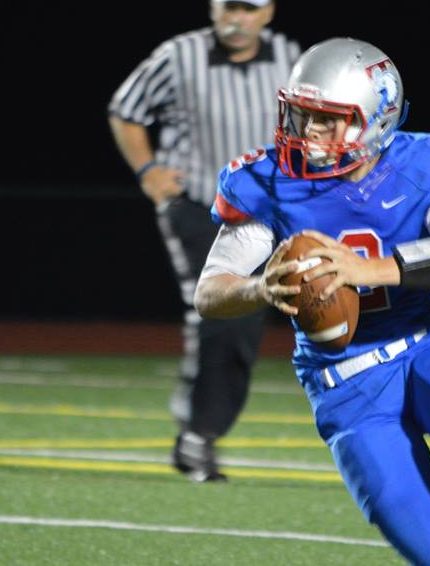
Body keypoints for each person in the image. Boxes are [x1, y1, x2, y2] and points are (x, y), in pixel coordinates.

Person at [194, 37, 430, 565]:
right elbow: (210, 292)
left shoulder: (423, 166)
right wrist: (259, 288)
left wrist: (368, 270)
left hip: (426, 348)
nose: (309, 131)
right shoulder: (269, 182)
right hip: (343, 384)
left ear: (376, 119)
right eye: (303, 114)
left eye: (329, 119)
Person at [107, 0, 300, 482]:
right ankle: (198, 433)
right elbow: (125, 110)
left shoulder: (290, 57)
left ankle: (201, 431)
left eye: (249, 9)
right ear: (214, 9)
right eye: (229, 7)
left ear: (268, 12)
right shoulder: (179, 54)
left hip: (263, 210)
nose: (238, 18)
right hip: (197, 204)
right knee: (215, 311)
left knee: (251, 316)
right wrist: (149, 173)